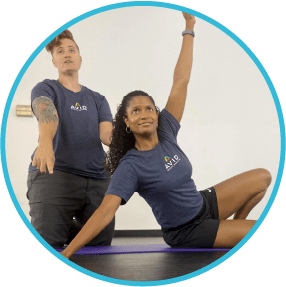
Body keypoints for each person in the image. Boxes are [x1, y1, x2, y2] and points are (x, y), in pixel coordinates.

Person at [60, 12, 271, 258]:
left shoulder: (166, 131)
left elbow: (181, 80)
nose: (144, 114)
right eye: (136, 111)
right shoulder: (131, 165)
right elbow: (105, 212)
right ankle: (227, 232)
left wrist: (189, 26)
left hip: (204, 204)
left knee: (263, 178)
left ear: (157, 114)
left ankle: (229, 232)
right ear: (126, 122)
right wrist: (68, 253)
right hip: (186, 229)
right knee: (260, 230)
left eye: (149, 108)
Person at [27, 30, 115, 248]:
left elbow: (106, 135)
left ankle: (68, 226)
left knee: (100, 246)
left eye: (71, 50)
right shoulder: (46, 88)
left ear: (80, 59)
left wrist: (136, 138)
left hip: (97, 179)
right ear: (54, 61)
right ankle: (61, 225)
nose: (67, 54)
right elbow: (48, 115)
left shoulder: (98, 99)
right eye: (60, 51)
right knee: (49, 245)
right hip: (55, 174)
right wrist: (45, 142)